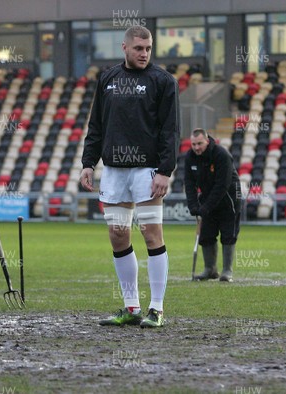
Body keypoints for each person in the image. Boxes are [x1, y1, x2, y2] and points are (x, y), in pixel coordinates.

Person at [80, 26, 180, 328]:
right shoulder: (108, 79)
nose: (144, 53)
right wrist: (88, 162)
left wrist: (165, 170)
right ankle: (131, 307)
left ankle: (157, 308)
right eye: (138, 48)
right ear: (124, 47)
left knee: (151, 233)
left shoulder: (163, 81)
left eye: (148, 48)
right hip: (113, 170)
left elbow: (171, 130)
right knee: (118, 235)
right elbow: (96, 123)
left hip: (146, 170)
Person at [184, 128, 241, 282]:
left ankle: (227, 271)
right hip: (208, 198)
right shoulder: (190, 157)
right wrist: (193, 206)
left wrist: (206, 207)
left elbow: (222, 185)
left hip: (229, 198)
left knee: (228, 235)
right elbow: (189, 184)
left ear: (207, 141)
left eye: (200, 144)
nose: (196, 148)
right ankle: (210, 269)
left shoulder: (221, 155)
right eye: (194, 144)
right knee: (206, 235)